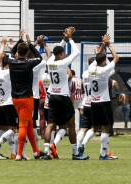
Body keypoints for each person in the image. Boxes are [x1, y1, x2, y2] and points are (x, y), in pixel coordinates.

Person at [43, 27, 89, 160]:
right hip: (63, 97)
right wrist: (70, 39)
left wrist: (64, 39)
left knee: (50, 124)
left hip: (52, 96)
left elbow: (57, 49)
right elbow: (76, 51)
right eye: (63, 53)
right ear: (62, 54)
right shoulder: (63, 63)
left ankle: (46, 152)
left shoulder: (49, 62)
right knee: (71, 125)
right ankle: (75, 153)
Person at [8, 31, 46, 161]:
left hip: (15, 98)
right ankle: (19, 154)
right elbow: (40, 58)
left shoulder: (12, 62)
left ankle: (36, 151)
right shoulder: (29, 63)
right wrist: (30, 45)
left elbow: (11, 53)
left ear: (18, 52)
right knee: (23, 125)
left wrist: (20, 40)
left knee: (29, 123)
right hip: (27, 98)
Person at [88, 33, 119, 160]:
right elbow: (116, 58)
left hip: (93, 102)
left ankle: (83, 145)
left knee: (94, 127)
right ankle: (103, 154)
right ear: (104, 61)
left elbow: (97, 58)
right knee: (106, 128)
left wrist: (102, 45)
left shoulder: (90, 68)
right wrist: (108, 45)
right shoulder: (104, 71)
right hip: (104, 102)